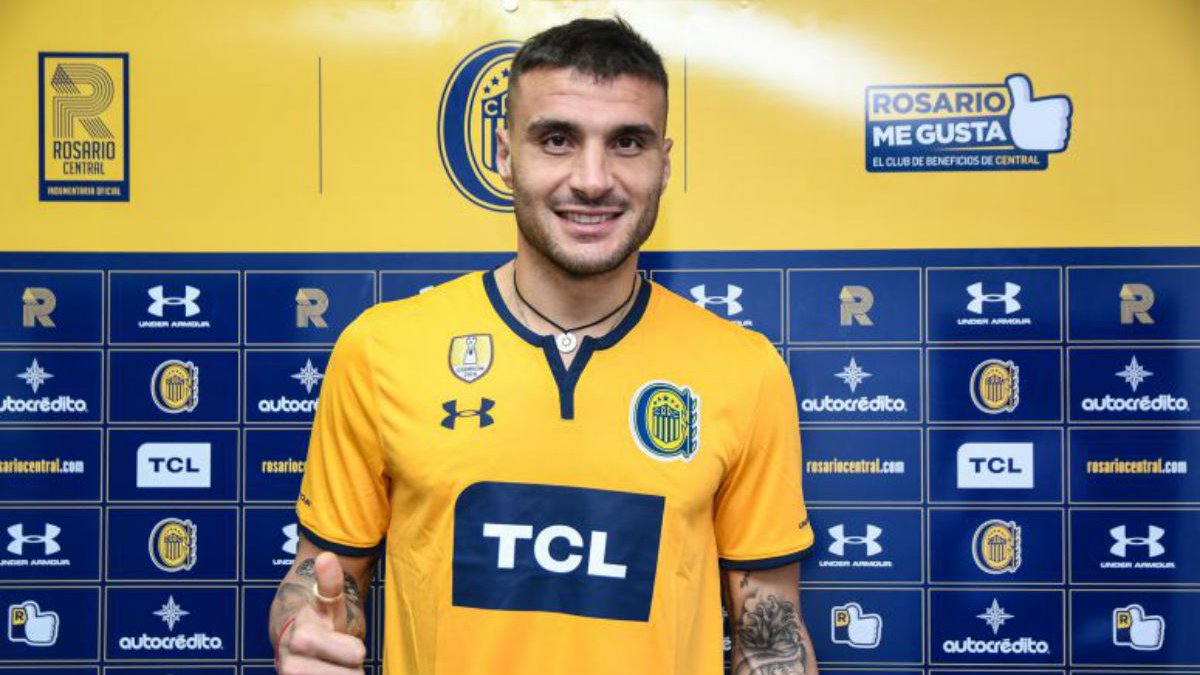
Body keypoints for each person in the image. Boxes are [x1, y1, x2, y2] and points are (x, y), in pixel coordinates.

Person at [270, 16, 818, 675]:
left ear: (664, 163)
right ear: (505, 154)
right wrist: (304, 630)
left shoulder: (744, 370)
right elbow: (323, 575)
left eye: (628, 142)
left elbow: (770, 636)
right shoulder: (380, 349)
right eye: (557, 139)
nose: (592, 178)